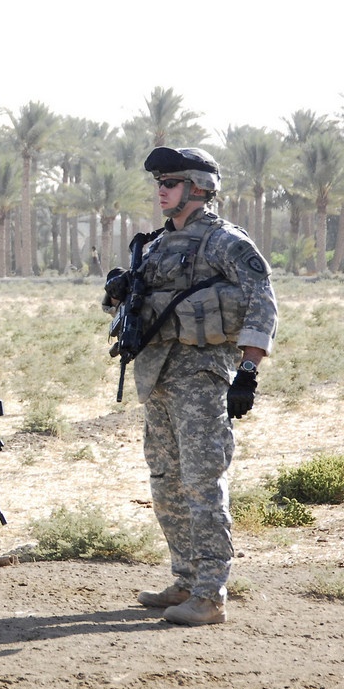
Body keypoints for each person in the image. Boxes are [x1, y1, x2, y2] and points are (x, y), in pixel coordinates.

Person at [104, 147, 277, 625]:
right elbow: (141, 306)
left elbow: (263, 301)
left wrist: (248, 370)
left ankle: (210, 592)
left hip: (201, 378)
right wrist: (118, 293)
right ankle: (184, 578)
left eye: (172, 180)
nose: (162, 188)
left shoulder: (224, 242)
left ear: (198, 188)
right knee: (166, 483)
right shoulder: (157, 244)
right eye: (160, 180)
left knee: (202, 483)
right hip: (158, 376)